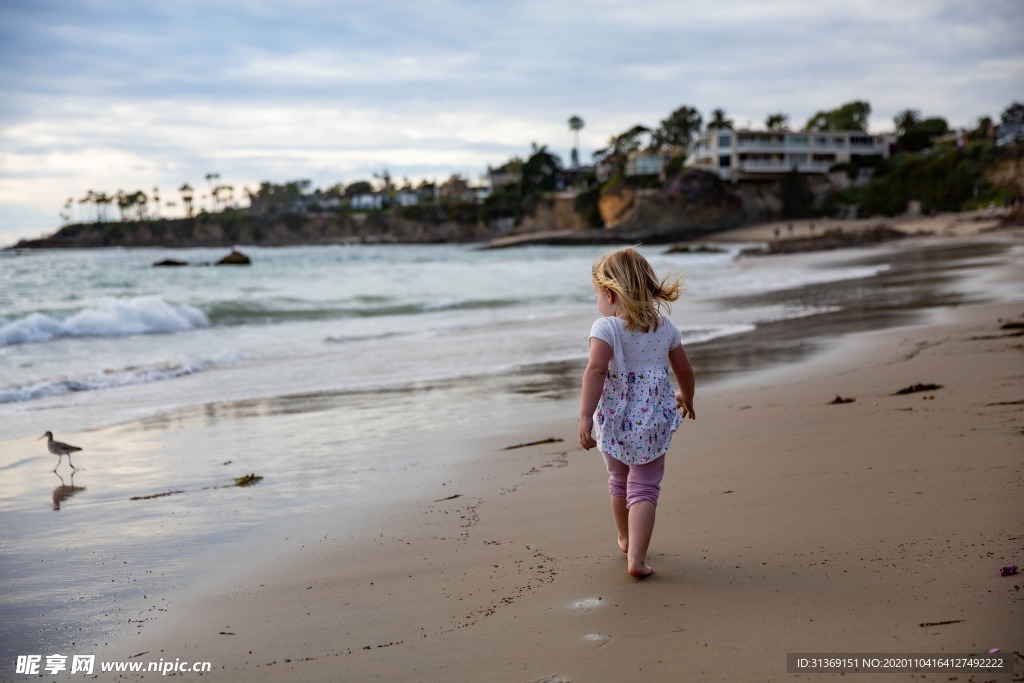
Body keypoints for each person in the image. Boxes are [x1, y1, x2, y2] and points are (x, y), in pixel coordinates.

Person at [579, 247, 696, 579]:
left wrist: (585, 416)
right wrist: (686, 397)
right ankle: (638, 560)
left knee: (618, 479)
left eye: (599, 296)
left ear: (611, 294)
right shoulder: (665, 327)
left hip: (614, 420)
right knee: (644, 487)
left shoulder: (605, 328)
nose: (598, 304)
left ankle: (626, 539)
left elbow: (595, 371)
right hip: (652, 421)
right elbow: (684, 370)